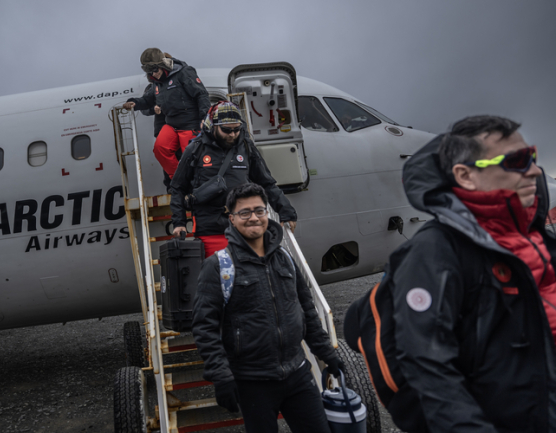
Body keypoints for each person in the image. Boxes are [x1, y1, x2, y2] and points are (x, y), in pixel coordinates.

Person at [376, 115, 556, 431]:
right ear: (466, 176)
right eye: (516, 161)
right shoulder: (435, 251)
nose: (534, 170)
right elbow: (426, 365)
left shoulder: (540, 238)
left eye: (532, 157)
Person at [192, 183, 343, 433]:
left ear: (267, 214)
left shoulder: (285, 259)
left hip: (297, 374)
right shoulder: (218, 266)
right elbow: (204, 326)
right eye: (245, 212)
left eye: (259, 210)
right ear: (231, 218)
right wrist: (220, 374)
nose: (253, 217)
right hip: (252, 382)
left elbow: (307, 312)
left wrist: (328, 354)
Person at [170, 101, 297, 257]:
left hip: (245, 226)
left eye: (237, 130)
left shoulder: (247, 147)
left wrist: (286, 211)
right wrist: (179, 223)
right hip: (210, 229)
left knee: (251, 274)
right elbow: (177, 187)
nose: (232, 134)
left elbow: (267, 183)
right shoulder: (196, 149)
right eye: (226, 130)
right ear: (213, 125)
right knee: (220, 274)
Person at [122, 48, 210, 179]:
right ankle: (178, 179)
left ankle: (196, 182)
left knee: (191, 156)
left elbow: (201, 94)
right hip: (172, 124)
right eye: (150, 72)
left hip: (190, 123)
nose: (154, 74)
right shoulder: (157, 83)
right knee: (160, 148)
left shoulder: (184, 73)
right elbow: (147, 100)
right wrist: (134, 102)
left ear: (163, 65)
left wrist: (204, 117)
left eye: (156, 70)